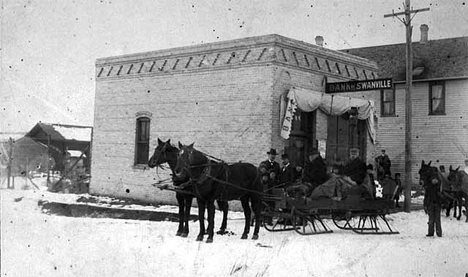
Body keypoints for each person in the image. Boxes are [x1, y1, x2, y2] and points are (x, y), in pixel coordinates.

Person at [424, 173, 443, 237]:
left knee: (437, 219)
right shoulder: (428, 188)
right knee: (431, 219)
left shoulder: (440, 188)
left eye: (435, 179)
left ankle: (439, 232)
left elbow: (443, 197)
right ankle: (430, 232)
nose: (434, 181)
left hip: (437, 204)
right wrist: (425, 205)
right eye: (433, 179)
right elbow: (426, 197)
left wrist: (441, 202)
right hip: (430, 204)